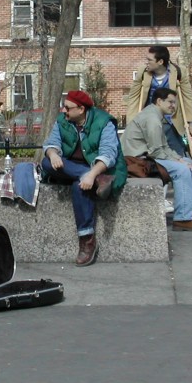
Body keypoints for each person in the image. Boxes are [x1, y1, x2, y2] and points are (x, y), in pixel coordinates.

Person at [41, 90, 127, 267]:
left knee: (79, 186)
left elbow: (109, 154)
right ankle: (95, 180)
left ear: (81, 109)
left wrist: (92, 174)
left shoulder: (104, 122)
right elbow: (52, 143)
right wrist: (53, 154)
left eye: (67, 107)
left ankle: (87, 241)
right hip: (74, 168)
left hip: (100, 168)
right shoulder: (62, 120)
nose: (63, 110)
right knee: (47, 163)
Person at [122, 88, 192, 231]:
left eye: (174, 103)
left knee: (189, 162)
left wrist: (177, 158)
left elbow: (163, 147)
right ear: (159, 101)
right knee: (181, 170)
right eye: (170, 102)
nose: (173, 106)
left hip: (144, 157)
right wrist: (177, 162)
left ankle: (191, 209)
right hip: (136, 161)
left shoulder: (155, 115)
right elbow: (156, 151)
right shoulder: (152, 119)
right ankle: (182, 218)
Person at [127, 45, 192, 213]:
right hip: (150, 122)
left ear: (160, 61)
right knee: (157, 162)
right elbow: (134, 96)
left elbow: (187, 97)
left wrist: (191, 122)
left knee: (180, 161)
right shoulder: (144, 73)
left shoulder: (178, 73)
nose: (146, 62)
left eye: (149, 60)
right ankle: (161, 201)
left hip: (172, 123)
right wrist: (132, 120)